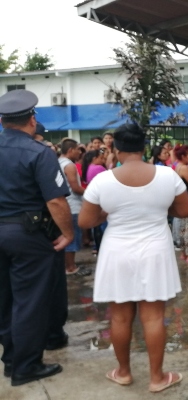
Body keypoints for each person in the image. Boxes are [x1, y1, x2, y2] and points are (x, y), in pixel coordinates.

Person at [78, 122, 188, 393]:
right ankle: (157, 378)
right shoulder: (168, 175)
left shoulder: (102, 180)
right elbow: (186, 210)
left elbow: (85, 221)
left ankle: (124, 372)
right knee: (153, 317)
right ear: (143, 147)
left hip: (117, 250)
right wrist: (157, 210)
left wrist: (108, 213)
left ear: (115, 148)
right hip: (155, 249)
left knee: (119, 317)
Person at [0, 89, 73, 385]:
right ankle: (26, 366)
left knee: (4, 299)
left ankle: (11, 359)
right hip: (27, 234)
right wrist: (68, 233)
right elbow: (56, 201)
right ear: (32, 120)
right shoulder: (39, 152)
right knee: (30, 300)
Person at [58, 139, 91, 276]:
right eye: (77, 149)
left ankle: (68, 265)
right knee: (72, 236)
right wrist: (91, 191)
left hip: (63, 205)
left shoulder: (58, 162)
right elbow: (75, 188)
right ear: (70, 150)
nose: (79, 152)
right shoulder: (69, 166)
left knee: (65, 235)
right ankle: (71, 267)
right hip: (72, 205)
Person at [82, 149, 108, 255]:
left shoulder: (88, 168)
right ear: (94, 158)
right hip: (102, 198)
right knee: (103, 226)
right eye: (101, 158)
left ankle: (97, 247)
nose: (103, 160)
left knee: (96, 227)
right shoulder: (99, 168)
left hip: (94, 199)